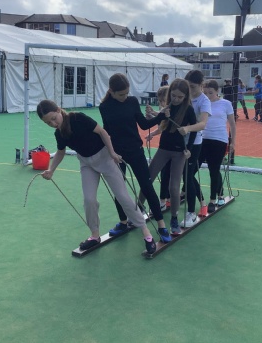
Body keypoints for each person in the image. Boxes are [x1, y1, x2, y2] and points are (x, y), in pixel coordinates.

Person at [36, 99, 157, 254]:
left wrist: (112, 153)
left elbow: (102, 132)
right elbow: (60, 152)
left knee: (122, 196)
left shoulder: (77, 118)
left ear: (59, 110)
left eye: (53, 118)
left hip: (105, 158)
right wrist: (51, 170)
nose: (53, 123)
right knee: (89, 200)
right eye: (48, 123)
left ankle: (146, 232)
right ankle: (94, 235)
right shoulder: (59, 133)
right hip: (86, 164)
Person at [99, 73, 172, 243]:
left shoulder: (132, 101)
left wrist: (161, 116)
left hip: (135, 151)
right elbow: (106, 130)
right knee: (119, 189)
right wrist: (107, 151)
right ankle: (123, 222)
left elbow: (144, 125)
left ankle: (161, 225)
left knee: (146, 186)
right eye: (121, 94)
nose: (125, 97)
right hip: (117, 155)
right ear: (111, 91)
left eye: (127, 93)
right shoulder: (104, 107)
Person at [141, 78, 197, 235]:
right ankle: (138, 208)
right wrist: (153, 116)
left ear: (185, 96)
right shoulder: (167, 107)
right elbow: (160, 124)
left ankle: (174, 218)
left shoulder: (188, 109)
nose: (176, 99)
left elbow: (194, 130)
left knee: (174, 187)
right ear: (170, 93)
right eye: (173, 96)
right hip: (163, 149)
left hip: (179, 152)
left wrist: (189, 149)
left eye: (180, 97)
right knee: (147, 179)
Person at [176, 70, 212, 225]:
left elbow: (203, 124)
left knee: (188, 176)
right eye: (187, 86)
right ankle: (200, 202)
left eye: (192, 87)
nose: (189, 90)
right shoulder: (185, 97)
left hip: (194, 143)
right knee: (182, 175)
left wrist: (188, 128)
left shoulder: (204, 101)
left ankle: (191, 212)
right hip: (179, 141)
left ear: (201, 85)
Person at [200, 79, 236, 213]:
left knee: (213, 169)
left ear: (217, 91)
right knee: (193, 169)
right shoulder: (202, 103)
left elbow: (232, 124)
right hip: (203, 139)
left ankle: (213, 199)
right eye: (205, 93)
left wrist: (233, 142)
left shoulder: (226, 103)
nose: (208, 95)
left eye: (210, 92)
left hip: (219, 140)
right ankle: (219, 194)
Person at [146, 85, 171, 210]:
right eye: (160, 100)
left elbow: (164, 124)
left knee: (169, 174)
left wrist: (154, 116)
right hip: (164, 145)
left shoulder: (173, 110)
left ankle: (165, 200)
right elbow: (161, 125)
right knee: (165, 173)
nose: (161, 103)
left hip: (174, 147)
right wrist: (152, 133)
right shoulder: (163, 110)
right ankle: (165, 199)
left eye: (163, 100)